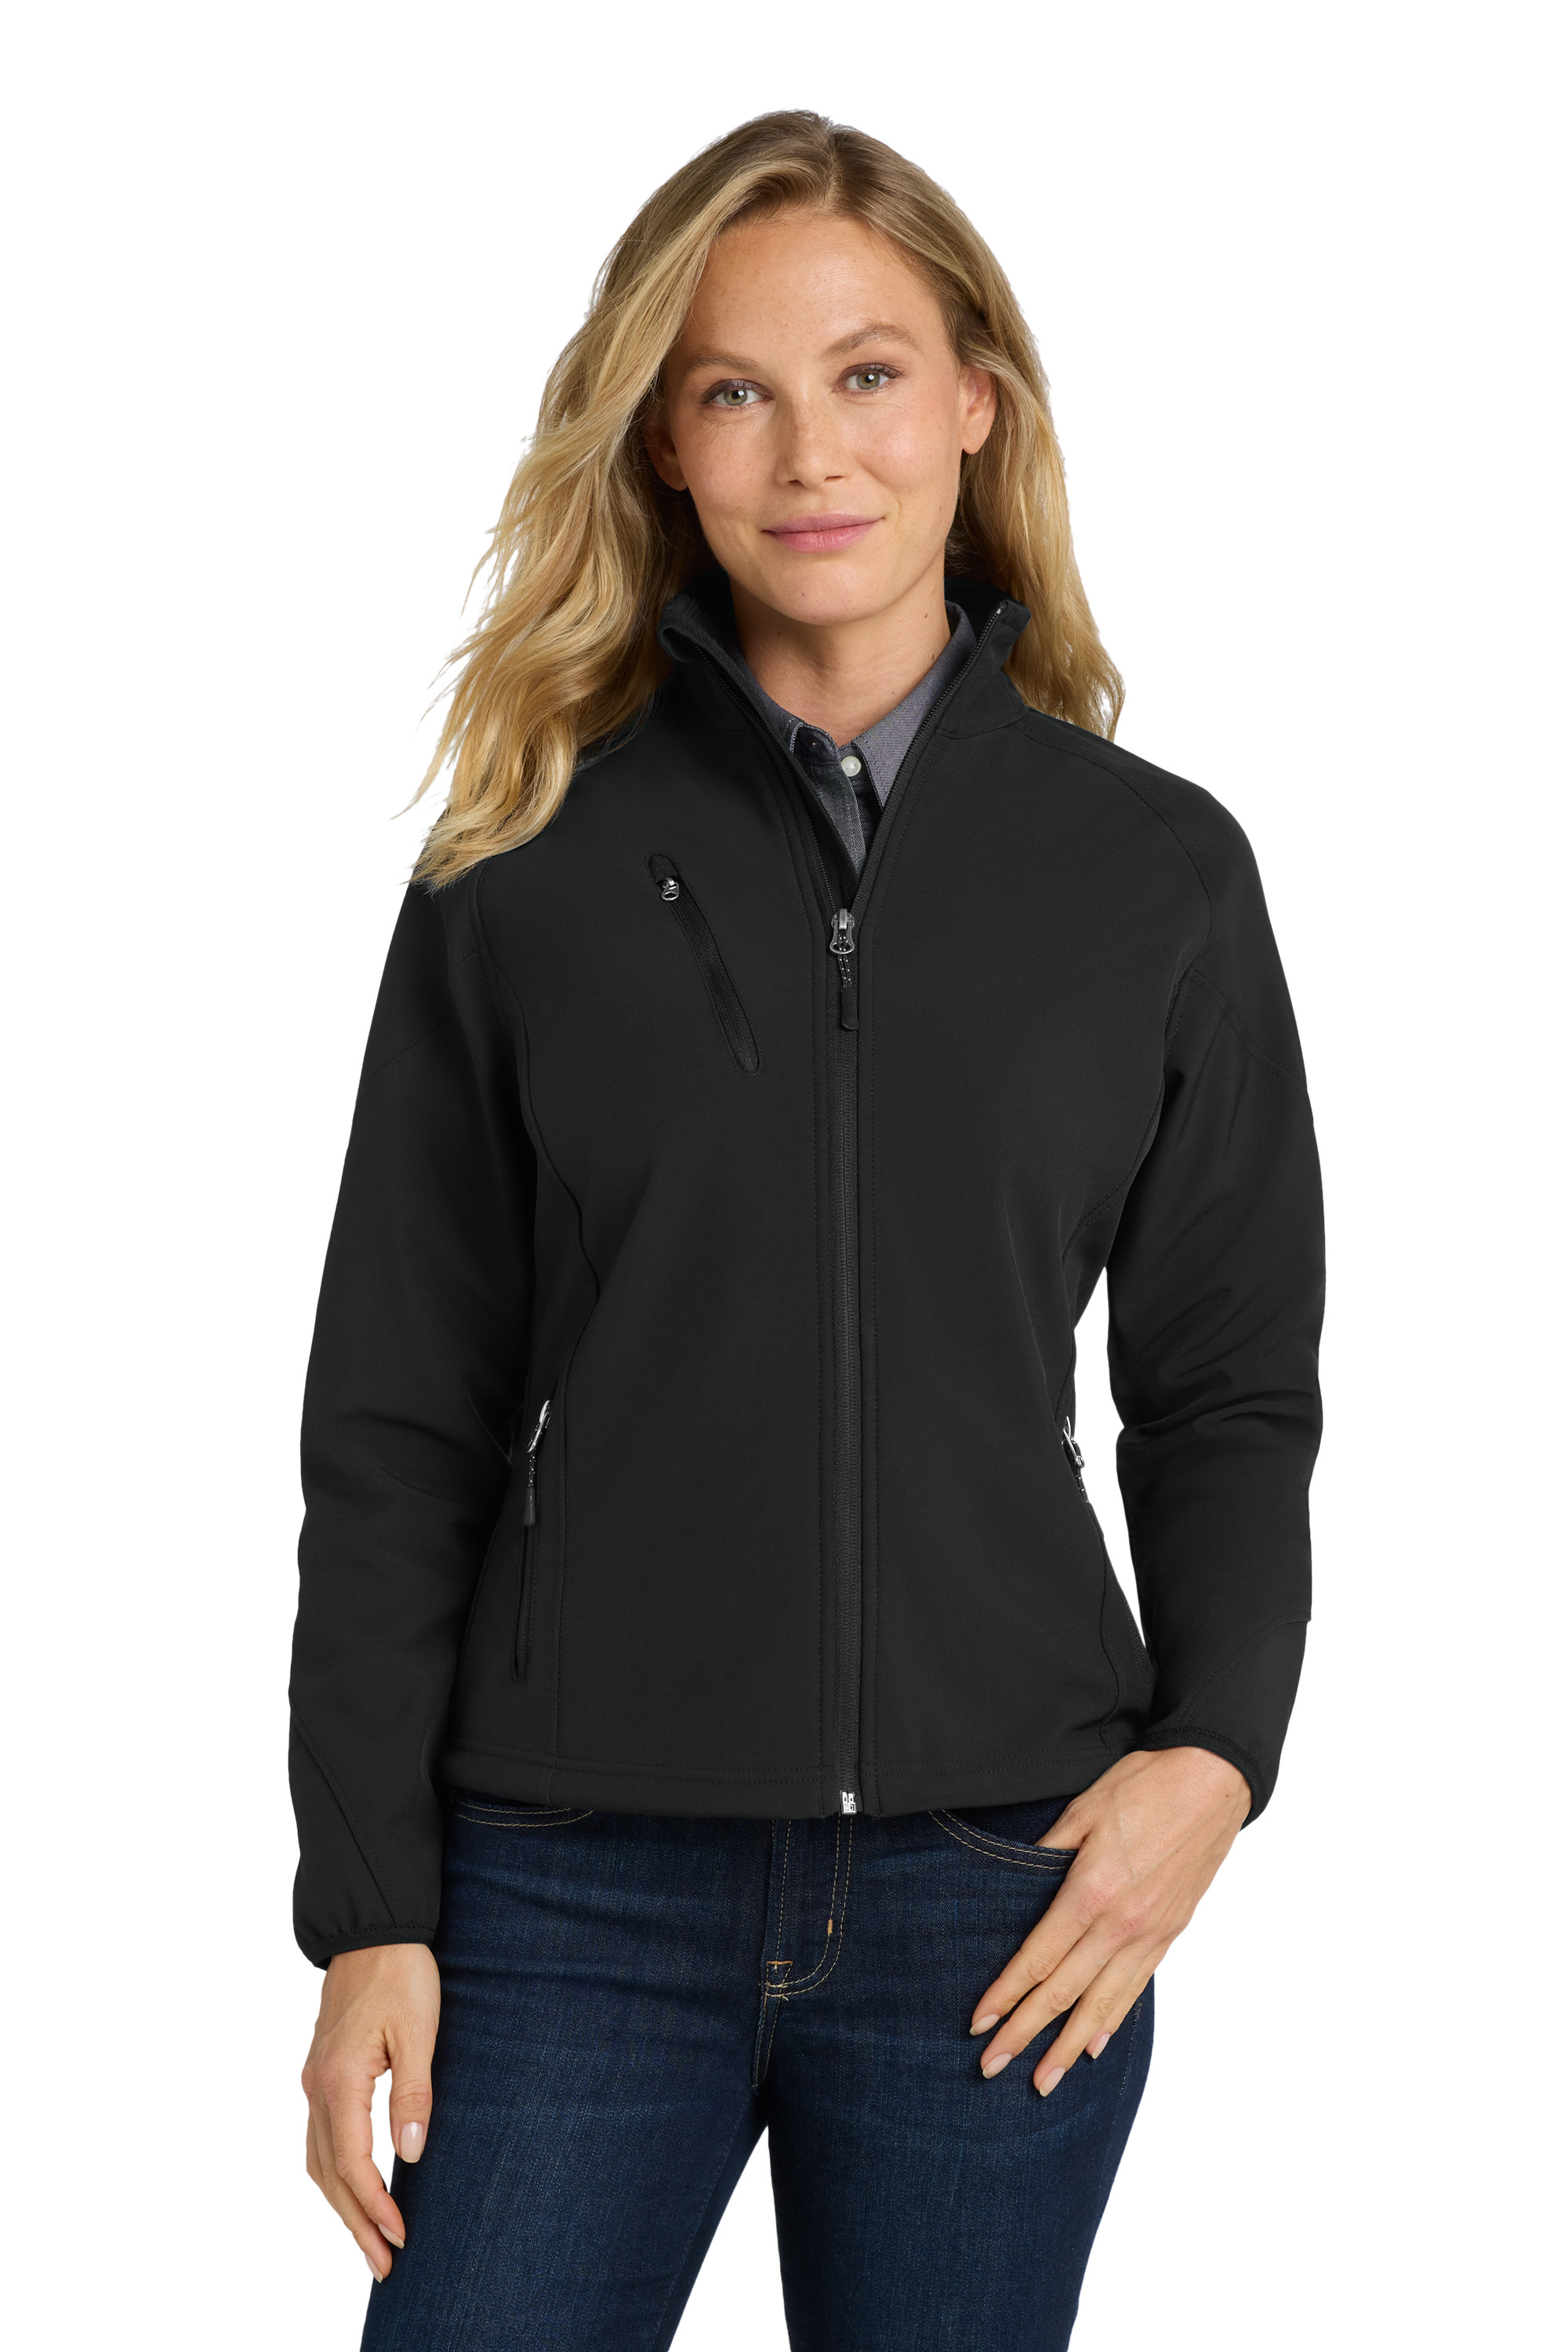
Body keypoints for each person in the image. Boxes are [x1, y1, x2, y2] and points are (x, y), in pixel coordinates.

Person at [291, 110, 1324, 2352]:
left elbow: (1229, 1387)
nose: (809, 453)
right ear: (665, 447)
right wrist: (371, 1900)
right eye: (734, 392)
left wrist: (1217, 1756)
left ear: (977, 405)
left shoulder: (1155, 874)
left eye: (867, 374)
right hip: (564, 1889)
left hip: (999, 1891)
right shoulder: (524, 863)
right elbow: (397, 1418)